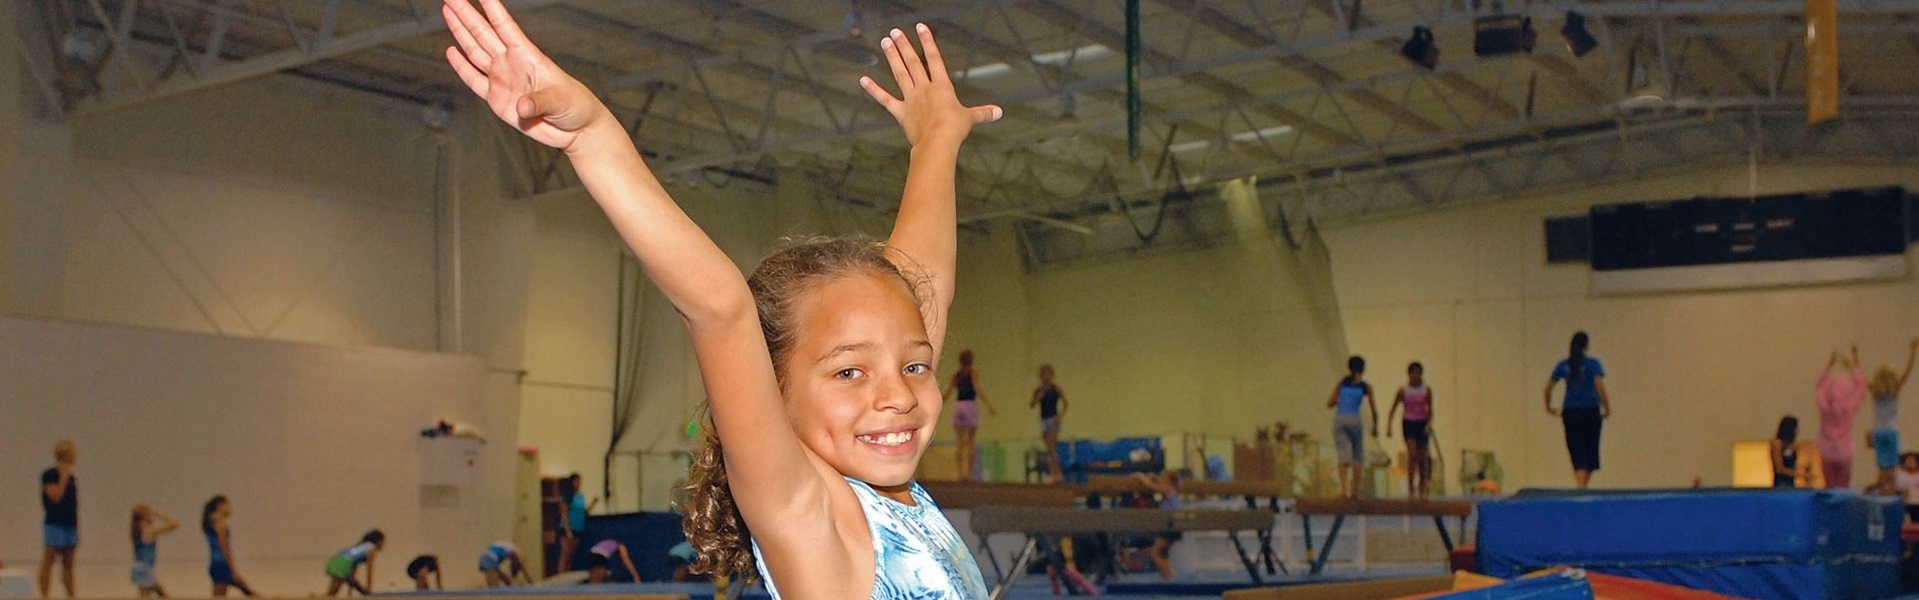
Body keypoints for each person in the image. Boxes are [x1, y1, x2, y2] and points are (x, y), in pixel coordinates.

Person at [441, 1, 999, 594]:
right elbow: (720, 309)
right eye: (849, 372)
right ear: (775, 392)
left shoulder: (894, 492)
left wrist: (937, 140)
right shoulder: (811, 515)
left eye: (914, 366)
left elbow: (926, 282)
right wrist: (595, 139)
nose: (897, 395)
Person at [1544, 332, 1610, 490]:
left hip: (1571, 411)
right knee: (1590, 447)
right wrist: (1606, 407)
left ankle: (1581, 485)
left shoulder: (1564, 365)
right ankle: (1582, 485)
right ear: (1586, 346)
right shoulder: (1593, 364)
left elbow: (1548, 388)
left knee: (1576, 447)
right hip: (1590, 410)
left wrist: (1548, 407)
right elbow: (1600, 386)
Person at [1867, 340, 1918, 494]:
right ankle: (1888, 495)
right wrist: (1913, 352)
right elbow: (1907, 372)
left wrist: (1854, 359)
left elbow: (1861, 378)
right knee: (1892, 469)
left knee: (1882, 467)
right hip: (1891, 431)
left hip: (1879, 432)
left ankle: (1883, 492)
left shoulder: (1875, 390)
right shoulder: (1895, 389)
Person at [1325, 356, 1378, 499]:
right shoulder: (1366, 386)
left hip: (1340, 417)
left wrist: (1338, 402)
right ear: (1363, 369)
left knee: (1343, 454)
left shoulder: (1342, 383)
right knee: (1357, 454)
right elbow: (1373, 409)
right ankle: (1355, 491)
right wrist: (1375, 426)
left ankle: (1343, 490)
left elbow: (1329, 402)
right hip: (1354, 418)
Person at [1817, 345, 1868, 489]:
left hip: (1826, 451)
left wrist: (1829, 365)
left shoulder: (1824, 405)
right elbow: (1861, 386)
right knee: (1844, 486)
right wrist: (1851, 367)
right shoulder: (1849, 405)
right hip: (1844, 452)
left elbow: (1819, 386)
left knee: (1829, 485)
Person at [944, 350, 997, 481]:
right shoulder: (972, 373)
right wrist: (988, 404)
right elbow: (977, 389)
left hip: (959, 406)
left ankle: (960, 473)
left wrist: (940, 403)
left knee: (960, 442)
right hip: (970, 405)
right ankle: (968, 473)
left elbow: (948, 391)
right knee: (971, 442)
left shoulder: (956, 375)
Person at [1386, 362, 1435, 499]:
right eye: (1413, 373)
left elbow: (1430, 409)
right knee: (1412, 454)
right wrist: (1389, 426)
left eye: (1418, 373)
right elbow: (1393, 408)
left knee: (1423, 457)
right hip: (1409, 423)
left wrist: (1429, 424)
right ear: (1409, 374)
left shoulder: (1426, 390)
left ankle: (1422, 484)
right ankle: (1410, 485)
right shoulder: (1403, 391)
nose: (1416, 376)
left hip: (1422, 423)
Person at [40, 440, 79, 599]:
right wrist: (62, 476)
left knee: (68, 564)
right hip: (54, 524)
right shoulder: (49, 475)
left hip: (70, 524)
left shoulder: (72, 478)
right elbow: (56, 497)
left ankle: (71, 595)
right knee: (49, 561)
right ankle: (45, 595)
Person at [1132, 470, 1187, 581]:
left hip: (1172, 525)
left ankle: (1170, 578)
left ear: (1168, 481)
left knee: (1155, 553)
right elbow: (1156, 483)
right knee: (1162, 554)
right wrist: (1153, 477)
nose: (1160, 479)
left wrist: (1140, 476)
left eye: (1162, 477)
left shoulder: (1168, 489)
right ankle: (1169, 577)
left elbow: (1149, 485)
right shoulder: (1169, 490)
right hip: (1172, 524)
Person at [202, 495, 256, 597]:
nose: (229, 509)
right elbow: (224, 548)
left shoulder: (210, 522)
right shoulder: (219, 524)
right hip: (222, 564)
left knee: (220, 596)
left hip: (215, 563)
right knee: (248, 591)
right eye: (227, 505)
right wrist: (232, 569)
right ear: (219, 505)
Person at [130, 505, 179, 598]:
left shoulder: (137, 530)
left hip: (140, 567)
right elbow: (174, 524)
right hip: (145, 568)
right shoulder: (148, 530)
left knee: (148, 594)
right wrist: (159, 515)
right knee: (160, 594)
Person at [1031, 364, 1069, 482]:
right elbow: (1032, 405)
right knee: (1048, 448)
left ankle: (1057, 473)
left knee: (1052, 447)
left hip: (1053, 419)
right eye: (1042, 374)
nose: (1045, 377)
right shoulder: (1038, 390)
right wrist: (1038, 396)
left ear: (1052, 375)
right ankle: (1054, 473)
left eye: (1047, 374)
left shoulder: (1056, 388)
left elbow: (1066, 403)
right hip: (1044, 420)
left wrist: (1061, 416)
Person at [323, 530, 385, 596]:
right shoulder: (371, 549)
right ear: (378, 541)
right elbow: (369, 570)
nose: (382, 545)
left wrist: (350, 592)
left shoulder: (360, 546)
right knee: (333, 592)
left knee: (333, 591)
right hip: (343, 564)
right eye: (382, 542)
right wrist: (369, 588)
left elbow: (353, 571)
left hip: (337, 560)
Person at [556, 474, 594, 572]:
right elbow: (564, 514)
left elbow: (584, 511)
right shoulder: (566, 495)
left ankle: (568, 573)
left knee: (572, 556)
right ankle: (561, 576)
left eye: (579, 482)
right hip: (568, 529)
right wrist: (568, 531)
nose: (578, 484)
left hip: (578, 529)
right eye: (576, 482)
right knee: (565, 555)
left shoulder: (580, 495)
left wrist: (593, 504)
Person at [1771, 416, 1804, 488]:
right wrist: (1799, 474)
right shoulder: (1777, 444)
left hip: (1791, 482)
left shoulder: (1793, 444)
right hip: (1781, 483)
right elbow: (1779, 468)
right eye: (1796, 428)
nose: (1798, 430)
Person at [1897, 453, 1919, 523]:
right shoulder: (1898, 474)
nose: (1910, 462)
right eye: (1908, 460)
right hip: (1902, 504)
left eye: (1913, 460)